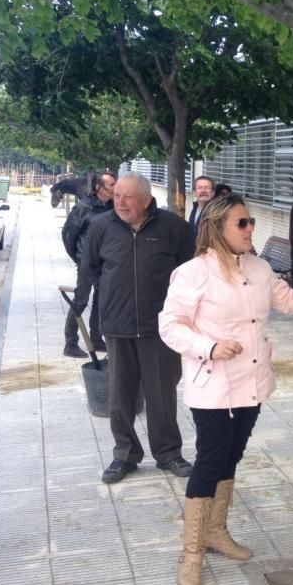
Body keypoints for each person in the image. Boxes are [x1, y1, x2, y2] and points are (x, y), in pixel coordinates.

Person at [159, 192, 293, 585]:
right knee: (209, 463)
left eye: (251, 221)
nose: (251, 228)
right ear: (218, 228)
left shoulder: (260, 267)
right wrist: (209, 346)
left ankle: (216, 531)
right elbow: (170, 325)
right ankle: (191, 553)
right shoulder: (193, 273)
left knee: (231, 458)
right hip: (214, 387)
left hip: (251, 385)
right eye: (242, 222)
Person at [81, 172, 196, 484]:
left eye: (128, 197)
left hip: (161, 327)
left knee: (162, 395)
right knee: (120, 397)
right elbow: (89, 268)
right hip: (117, 326)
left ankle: (168, 453)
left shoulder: (174, 228)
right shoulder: (101, 226)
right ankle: (125, 455)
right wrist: (111, 295)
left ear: (146, 199)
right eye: (117, 196)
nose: (120, 203)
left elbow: (192, 272)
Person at [61, 171, 116, 358]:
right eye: (111, 185)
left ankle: (96, 338)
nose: (115, 188)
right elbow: (68, 235)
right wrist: (79, 257)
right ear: (99, 187)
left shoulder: (112, 207)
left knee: (101, 301)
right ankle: (70, 343)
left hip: (105, 262)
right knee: (80, 300)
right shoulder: (84, 207)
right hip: (86, 262)